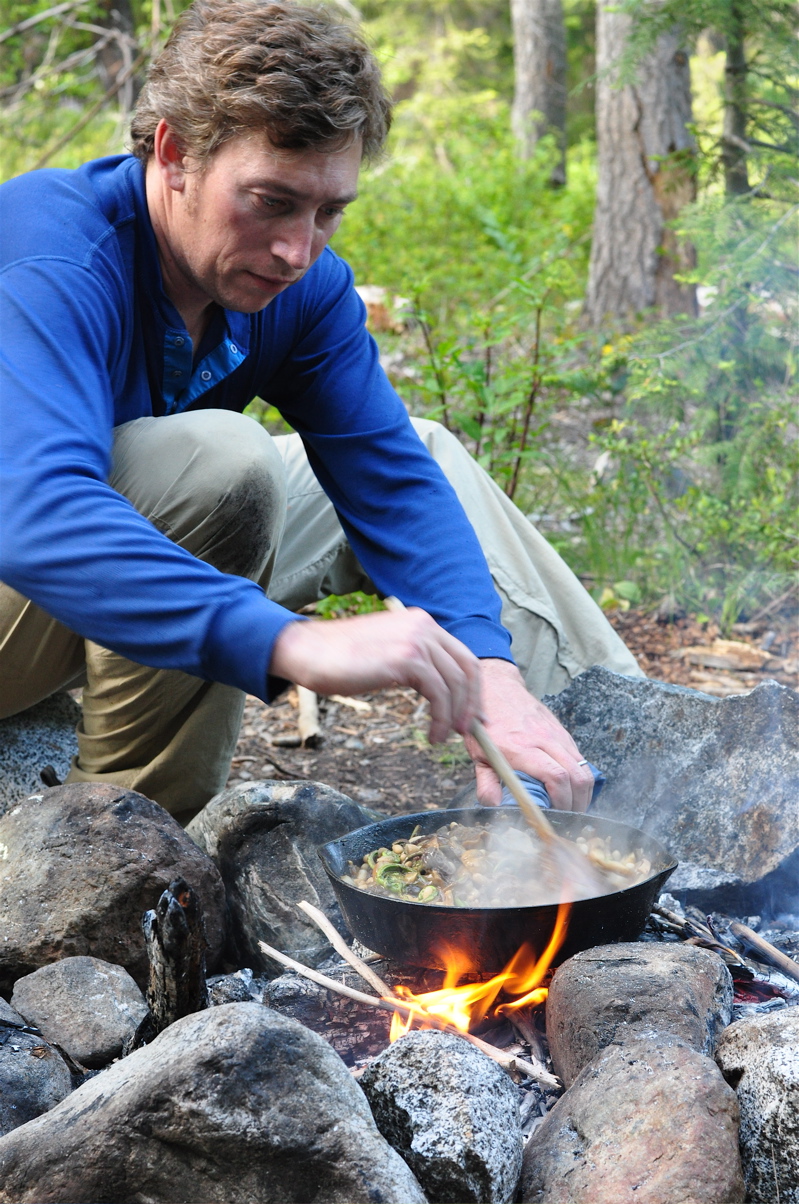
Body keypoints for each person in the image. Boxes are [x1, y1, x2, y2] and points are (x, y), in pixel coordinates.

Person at [0, 0, 642, 823]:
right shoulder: (49, 250)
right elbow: (33, 510)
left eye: (328, 211)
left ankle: (616, 778)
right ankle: (115, 849)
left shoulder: (296, 289)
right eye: (271, 201)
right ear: (174, 152)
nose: (299, 250)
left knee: (427, 451)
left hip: (72, 581)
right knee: (221, 459)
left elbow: (389, 480)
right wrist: (293, 642)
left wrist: (488, 667)